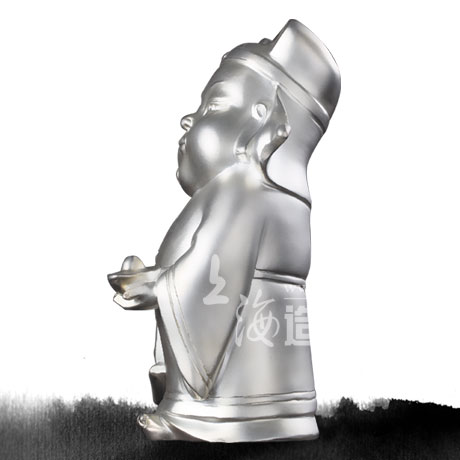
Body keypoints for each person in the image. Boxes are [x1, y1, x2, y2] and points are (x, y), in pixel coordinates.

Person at [108, 19, 340, 442]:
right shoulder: (268, 193)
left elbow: (214, 266)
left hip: (239, 393)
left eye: (212, 107)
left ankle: (209, 418)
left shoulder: (246, 188)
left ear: (260, 118)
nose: (187, 120)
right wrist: (160, 279)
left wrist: (158, 285)